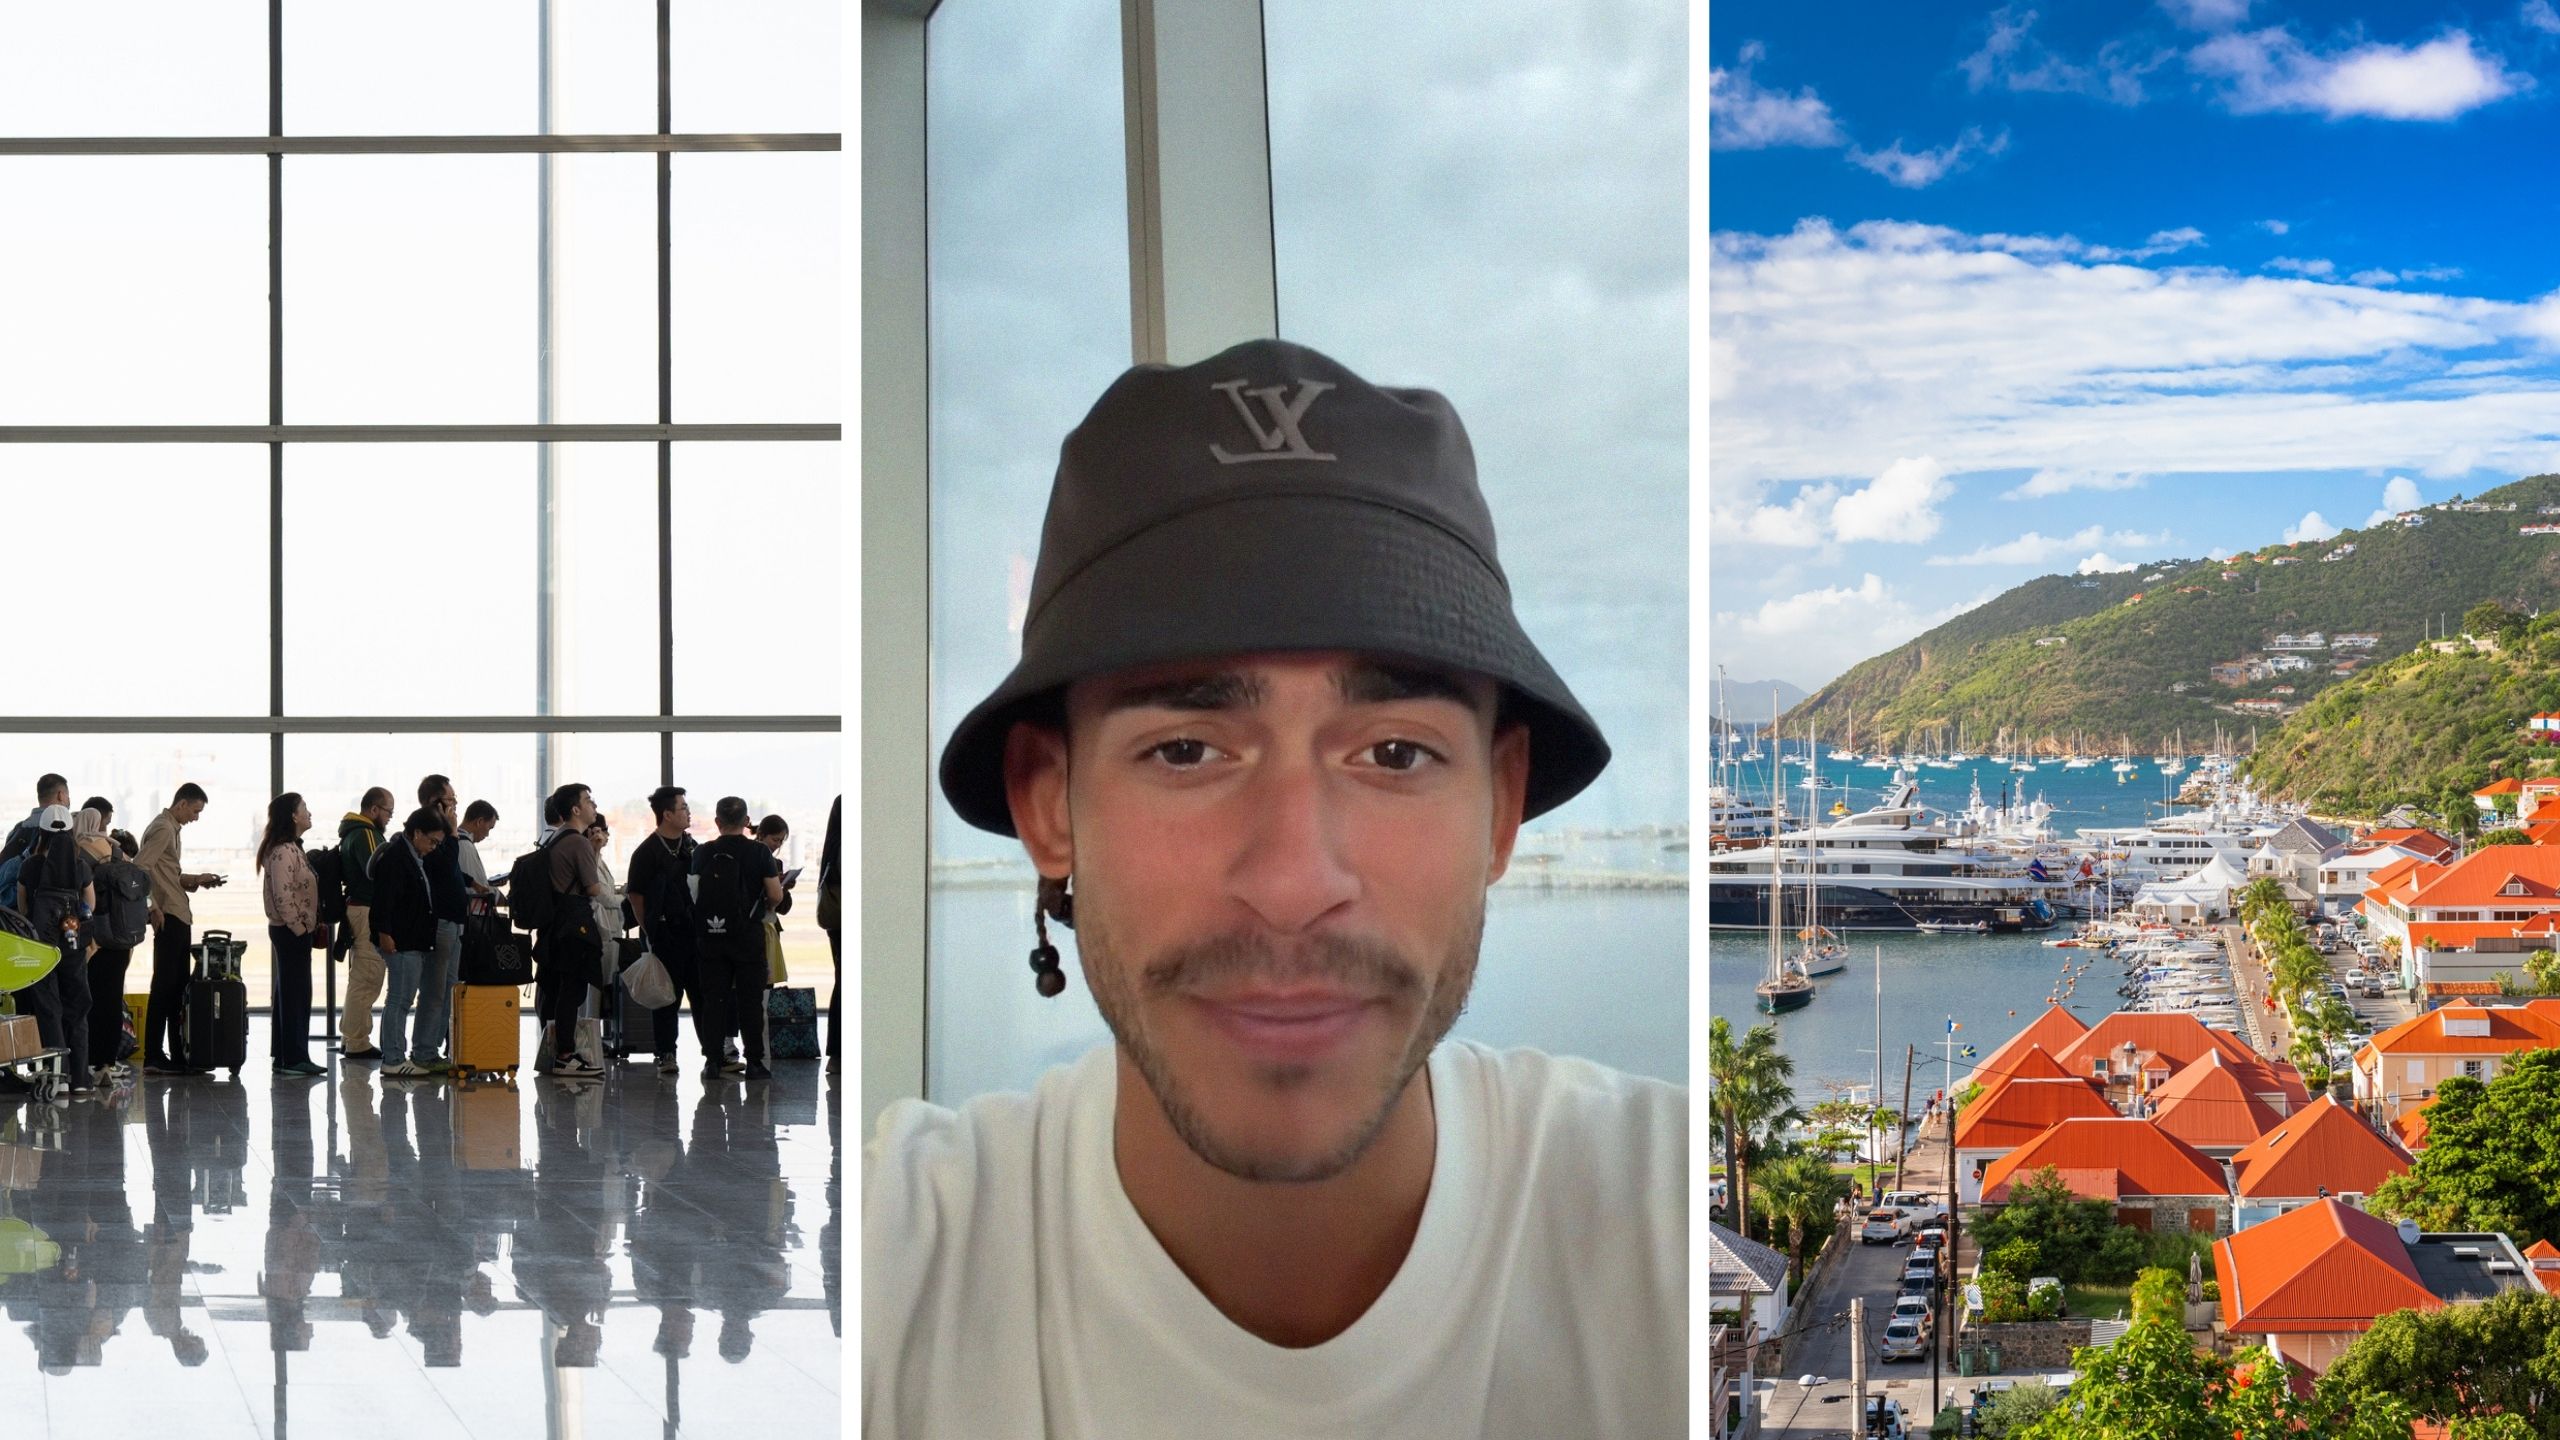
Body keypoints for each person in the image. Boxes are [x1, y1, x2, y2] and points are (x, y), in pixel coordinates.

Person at [863, 341, 1682, 1437]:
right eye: (1187, 750)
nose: (1295, 882)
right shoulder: (887, 1266)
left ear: (1499, 805)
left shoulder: (1662, 1229)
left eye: (1393, 754)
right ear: (1048, 804)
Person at [690, 797, 782, 1083]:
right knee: (750, 1001)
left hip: (711, 937)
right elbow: (776, 895)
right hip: (748, 936)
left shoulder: (702, 853)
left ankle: (713, 1062)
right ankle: (754, 1062)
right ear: (746, 822)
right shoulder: (759, 853)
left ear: (717, 822)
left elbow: (694, 894)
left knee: (714, 1000)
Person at [625, 785, 711, 1078]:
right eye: (683, 808)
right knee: (666, 998)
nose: (688, 813)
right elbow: (636, 897)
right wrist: (650, 930)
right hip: (664, 935)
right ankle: (666, 1053)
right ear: (667, 814)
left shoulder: (693, 848)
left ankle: (712, 1053)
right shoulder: (647, 852)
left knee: (702, 994)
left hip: (695, 934)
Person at [138, 784, 223, 1077]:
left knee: (175, 988)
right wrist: (152, 906)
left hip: (177, 912)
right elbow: (140, 868)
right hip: (169, 916)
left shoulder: (171, 829)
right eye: (195, 811)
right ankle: (154, 1055)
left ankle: (176, 1054)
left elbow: (166, 874)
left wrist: (196, 879)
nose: (196, 818)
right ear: (182, 803)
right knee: (164, 987)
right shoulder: (163, 828)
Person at [18, 805, 96, 1093]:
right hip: (73, 945)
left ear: (42, 832)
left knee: (49, 1007)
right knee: (77, 1006)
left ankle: (57, 1077)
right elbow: (90, 905)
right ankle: (81, 1079)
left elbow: (24, 907)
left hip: (41, 947)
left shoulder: (30, 866)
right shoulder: (80, 866)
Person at [369, 807, 451, 1079]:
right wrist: (384, 933)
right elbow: (384, 900)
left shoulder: (412, 856)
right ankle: (393, 1058)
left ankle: (395, 1055)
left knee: (401, 999)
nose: (433, 848)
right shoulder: (396, 857)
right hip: (400, 941)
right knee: (399, 1000)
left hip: (411, 940)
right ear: (417, 833)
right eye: (432, 841)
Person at [534, 783, 606, 1079]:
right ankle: (566, 1054)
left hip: (555, 924)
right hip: (574, 923)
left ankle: (555, 1051)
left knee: (555, 989)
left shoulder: (555, 839)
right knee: (572, 990)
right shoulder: (576, 842)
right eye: (589, 800)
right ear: (575, 809)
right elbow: (593, 888)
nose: (594, 806)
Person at [257, 794, 328, 1078]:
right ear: (293, 816)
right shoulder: (284, 851)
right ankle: (294, 1057)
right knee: (295, 994)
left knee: (290, 992)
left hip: (293, 930)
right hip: (290, 931)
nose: (310, 814)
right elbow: (283, 896)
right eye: (305, 809)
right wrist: (299, 928)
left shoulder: (291, 848)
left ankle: (285, 1054)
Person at [336, 788, 394, 1061]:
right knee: (369, 976)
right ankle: (358, 1041)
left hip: (356, 910)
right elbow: (380, 874)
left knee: (359, 977)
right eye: (388, 812)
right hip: (367, 911)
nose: (390, 817)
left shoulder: (350, 833)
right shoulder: (367, 834)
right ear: (374, 810)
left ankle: (350, 1036)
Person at [417, 775, 469, 1072]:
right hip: (440, 922)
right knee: (435, 990)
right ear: (436, 802)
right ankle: (425, 1050)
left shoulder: (444, 836)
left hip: (454, 920)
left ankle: (436, 1048)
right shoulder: (431, 834)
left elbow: (452, 873)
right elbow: (443, 866)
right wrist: (450, 832)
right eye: (450, 800)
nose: (455, 806)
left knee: (450, 988)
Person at [818, 796, 841, 1071]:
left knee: (842, 980)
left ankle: (837, 1054)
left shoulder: (833, 844)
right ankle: (839, 1054)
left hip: (836, 917)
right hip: (847, 917)